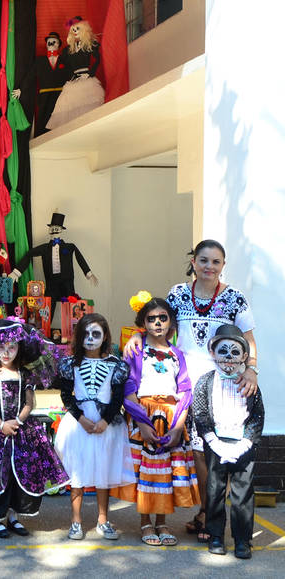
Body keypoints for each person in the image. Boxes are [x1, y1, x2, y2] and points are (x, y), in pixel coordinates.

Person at [123, 239, 257, 538]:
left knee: (214, 453)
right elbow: (159, 322)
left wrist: (252, 369)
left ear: (223, 266)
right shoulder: (178, 293)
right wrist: (137, 336)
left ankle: (210, 516)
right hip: (182, 389)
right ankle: (206, 512)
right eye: (203, 260)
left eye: (216, 262)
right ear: (193, 262)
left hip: (220, 389)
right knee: (195, 453)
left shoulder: (235, 298)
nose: (209, 266)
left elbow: (248, 340)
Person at [0, 319, 69, 538]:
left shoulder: (25, 374)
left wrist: (17, 422)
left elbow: (29, 403)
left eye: (11, 347)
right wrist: (1, 424)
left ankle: (13, 516)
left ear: (19, 348)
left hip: (21, 429)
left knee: (19, 475)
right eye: (1, 347)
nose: (6, 353)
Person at [122, 294, 201, 546]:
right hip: (143, 415)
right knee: (146, 472)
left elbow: (185, 390)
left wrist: (178, 426)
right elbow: (128, 386)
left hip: (171, 417)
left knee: (165, 472)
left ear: (171, 322)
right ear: (143, 323)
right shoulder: (136, 350)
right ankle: (145, 522)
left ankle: (162, 522)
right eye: (151, 319)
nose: (157, 323)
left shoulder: (177, 354)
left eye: (162, 318)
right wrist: (142, 423)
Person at [54, 314, 135, 541]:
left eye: (96, 334)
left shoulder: (117, 365)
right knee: (77, 473)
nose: (90, 338)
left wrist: (105, 421)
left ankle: (103, 519)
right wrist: (80, 418)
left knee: (103, 472)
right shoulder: (70, 364)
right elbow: (66, 395)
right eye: (86, 334)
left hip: (106, 425)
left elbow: (117, 398)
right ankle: (76, 521)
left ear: (105, 336)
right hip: (78, 424)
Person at [193, 324, 264, 559]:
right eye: (223, 351)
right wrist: (213, 441)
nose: (229, 357)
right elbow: (200, 414)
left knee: (242, 493)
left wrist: (246, 443)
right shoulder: (205, 382)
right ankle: (215, 535)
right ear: (213, 353)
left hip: (243, 444)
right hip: (216, 443)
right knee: (215, 490)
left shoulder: (250, 385)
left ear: (244, 356)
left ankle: (243, 540)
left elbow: (257, 416)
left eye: (235, 352)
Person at [46, 16, 104, 129]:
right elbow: (64, 65)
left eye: (77, 28)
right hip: (74, 80)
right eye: (73, 29)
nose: (75, 31)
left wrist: (90, 73)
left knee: (87, 105)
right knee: (69, 106)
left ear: (83, 29)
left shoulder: (89, 44)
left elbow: (97, 60)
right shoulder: (68, 49)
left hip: (87, 79)